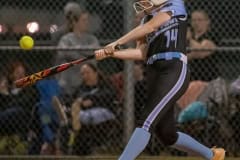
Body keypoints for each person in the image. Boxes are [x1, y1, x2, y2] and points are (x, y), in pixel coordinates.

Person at [95, 0, 225, 160]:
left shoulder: (175, 5)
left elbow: (150, 27)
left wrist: (116, 43)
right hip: (154, 72)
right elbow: (140, 53)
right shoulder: (146, 19)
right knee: (166, 133)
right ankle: (212, 155)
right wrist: (111, 53)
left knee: (146, 121)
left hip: (172, 69)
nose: (143, 2)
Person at [70, 62, 118, 155]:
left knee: (85, 116)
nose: (85, 76)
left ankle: (74, 122)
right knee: (81, 113)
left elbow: (109, 96)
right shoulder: (82, 88)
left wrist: (92, 101)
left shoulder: (105, 84)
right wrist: (82, 102)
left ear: (96, 73)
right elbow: (75, 99)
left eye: (88, 72)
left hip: (105, 111)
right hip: (85, 112)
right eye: (83, 74)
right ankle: (74, 119)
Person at [55, 2, 100, 95]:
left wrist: (76, 50)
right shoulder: (66, 38)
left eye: (87, 20)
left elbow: (95, 51)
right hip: (69, 81)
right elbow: (63, 53)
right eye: (84, 20)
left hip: (87, 81)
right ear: (75, 22)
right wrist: (85, 56)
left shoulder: (91, 38)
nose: (87, 23)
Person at [187, 10, 219, 81]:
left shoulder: (212, 35)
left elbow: (202, 53)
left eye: (199, 20)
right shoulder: (187, 36)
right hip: (189, 77)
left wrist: (189, 39)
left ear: (207, 21)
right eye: (193, 20)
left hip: (208, 77)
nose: (196, 23)